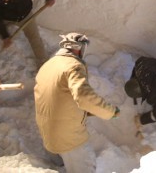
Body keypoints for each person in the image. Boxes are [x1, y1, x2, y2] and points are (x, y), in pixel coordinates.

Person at [34, 33, 119, 173]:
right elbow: (84, 96)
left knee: (57, 164)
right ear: (79, 48)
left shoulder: (47, 66)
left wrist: (86, 112)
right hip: (68, 137)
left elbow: (58, 96)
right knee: (85, 167)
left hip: (47, 133)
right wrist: (110, 112)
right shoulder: (73, 66)